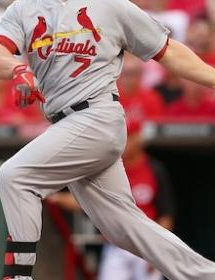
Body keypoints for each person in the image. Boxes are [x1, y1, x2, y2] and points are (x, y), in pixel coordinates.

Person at [0, 0, 215, 279]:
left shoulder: (109, 5)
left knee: (14, 176)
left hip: (96, 116)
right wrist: (18, 69)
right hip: (68, 124)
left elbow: (166, 51)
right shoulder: (24, 8)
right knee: (125, 228)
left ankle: (17, 276)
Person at [49, 120, 176, 280]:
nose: (124, 142)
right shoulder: (108, 169)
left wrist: (158, 249)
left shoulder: (154, 169)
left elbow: (166, 216)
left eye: (128, 136)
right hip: (116, 246)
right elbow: (85, 201)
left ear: (139, 139)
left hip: (145, 245)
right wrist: (53, 196)